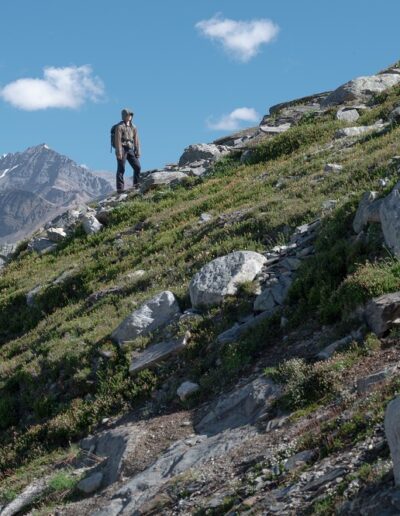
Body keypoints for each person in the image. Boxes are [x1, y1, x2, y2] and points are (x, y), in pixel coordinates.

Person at [114, 108, 141, 192]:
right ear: (124, 116)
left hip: (130, 149)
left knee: (137, 167)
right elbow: (117, 140)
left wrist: (138, 151)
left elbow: (136, 140)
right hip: (122, 148)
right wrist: (119, 152)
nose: (130, 116)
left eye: (131, 115)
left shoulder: (134, 127)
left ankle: (136, 184)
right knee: (121, 168)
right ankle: (120, 189)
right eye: (128, 115)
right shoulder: (119, 126)